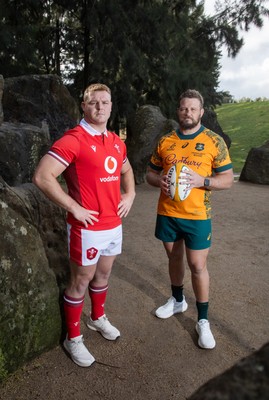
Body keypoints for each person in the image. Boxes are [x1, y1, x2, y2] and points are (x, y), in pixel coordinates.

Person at [33, 83, 135, 367]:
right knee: (80, 281)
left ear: (111, 106)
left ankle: (97, 318)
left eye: (105, 102)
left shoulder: (116, 141)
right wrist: (74, 207)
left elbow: (126, 169)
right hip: (87, 229)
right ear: (84, 106)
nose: (100, 107)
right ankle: (73, 338)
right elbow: (42, 177)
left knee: (103, 277)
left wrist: (131, 194)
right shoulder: (73, 139)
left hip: (113, 225)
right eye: (94, 103)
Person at [146, 89, 233, 349]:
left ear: (201, 112)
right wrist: (158, 180)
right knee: (173, 258)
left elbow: (227, 179)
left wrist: (201, 181)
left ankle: (203, 320)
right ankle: (177, 300)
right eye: (184, 108)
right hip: (168, 213)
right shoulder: (165, 141)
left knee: (197, 266)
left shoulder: (213, 141)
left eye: (193, 109)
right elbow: (149, 174)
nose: (188, 113)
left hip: (197, 215)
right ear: (178, 111)